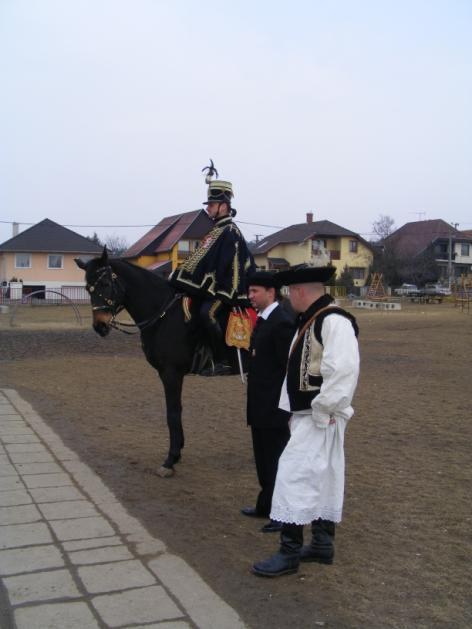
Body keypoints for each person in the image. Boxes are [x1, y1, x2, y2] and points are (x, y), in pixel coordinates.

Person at [252, 265, 360, 577]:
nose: (288, 298)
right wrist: (292, 411)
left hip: (321, 417)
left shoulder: (333, 321)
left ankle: (289, 552)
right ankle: (323, 545)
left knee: (291, 477)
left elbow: (343, 371)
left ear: (300, 291)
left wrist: (323, 411)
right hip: (311, 416)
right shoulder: (312, 319)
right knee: (322, 478)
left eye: (289, 292)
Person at [170, 174, 255, 375]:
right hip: (212, 288)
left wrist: (226, 292)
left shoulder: (231, 231)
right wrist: (181, 275)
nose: (208, 208)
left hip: (229, 290)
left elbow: (233, 266)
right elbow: (201, 261)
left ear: (224, 205)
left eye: (212, 204)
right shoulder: (215, 231)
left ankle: (224, 360)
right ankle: (197, 358)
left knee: (207, 314)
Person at [241, 271, 295, 533]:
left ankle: (281, 513)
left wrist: (287, 407)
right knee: (262, 458)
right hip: (260, 404)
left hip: (274, 407)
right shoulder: (264, 319)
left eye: (255, 292)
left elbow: (289, 368)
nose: (250, 296)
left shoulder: (282, 322)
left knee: (276, 460)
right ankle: (265, 504)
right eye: (249, 292)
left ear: (271, 292)